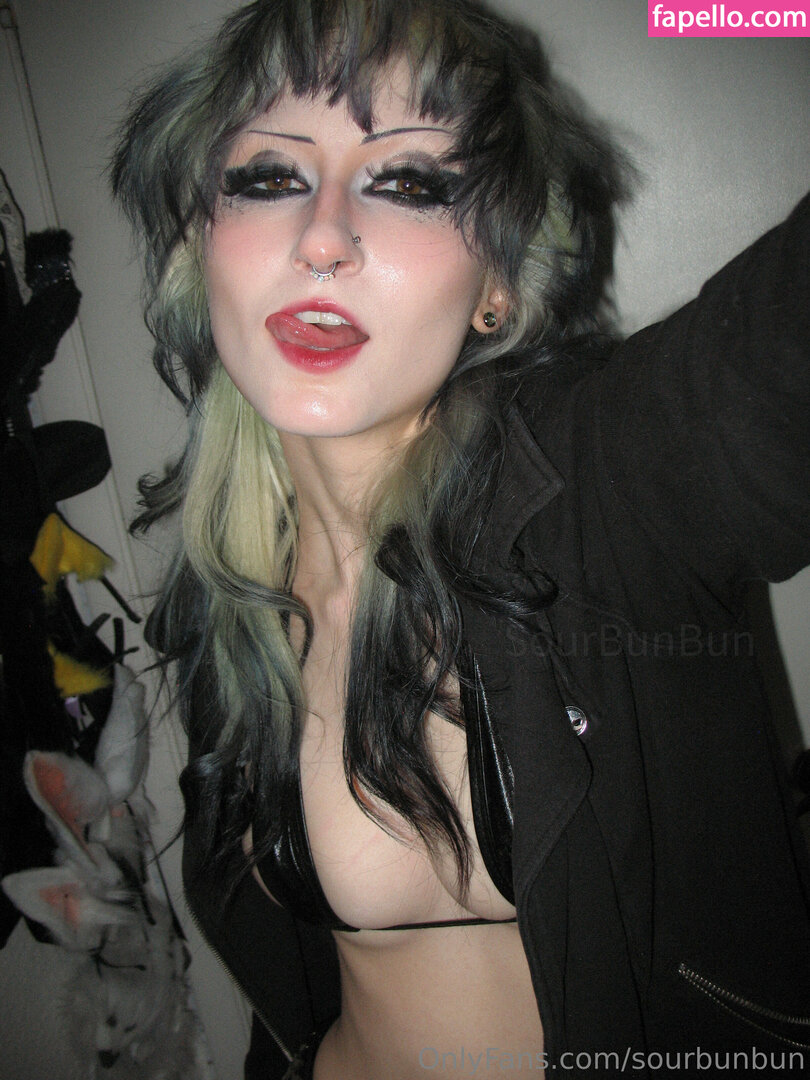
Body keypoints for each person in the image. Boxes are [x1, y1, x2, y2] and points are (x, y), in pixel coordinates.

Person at [111, 0, 810, 1076]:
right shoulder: (224, 589)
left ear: (498, 286)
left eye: (410, 184)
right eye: (268, 177)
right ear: (200, 247)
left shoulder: (602, 483)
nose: (322, 237)